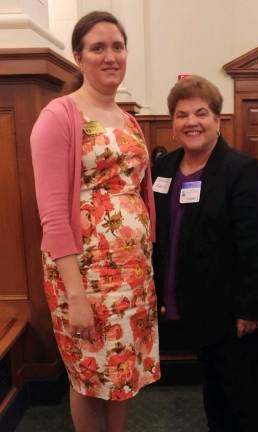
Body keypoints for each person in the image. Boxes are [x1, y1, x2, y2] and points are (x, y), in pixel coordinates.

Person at [30, 11, 160, 432]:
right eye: (98, 48)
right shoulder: (59, 115)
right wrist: (76, 295)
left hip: (132, 274)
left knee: (123, 372)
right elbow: (52, 213)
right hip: (83, 275)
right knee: (88, 374)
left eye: (117, 47)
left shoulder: (130, 121)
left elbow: (139, 193)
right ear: (78, 57)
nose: (110, 56)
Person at [152, 75, 258, 432]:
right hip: (193, 309)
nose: (191, 121)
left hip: (235, 314)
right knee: (214, 396)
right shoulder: (163, 169)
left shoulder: (242, 171)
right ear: (173, 124)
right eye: (181, 114)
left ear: (218, 121)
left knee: (244, 402)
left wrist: (250, 307)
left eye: (201, 113)